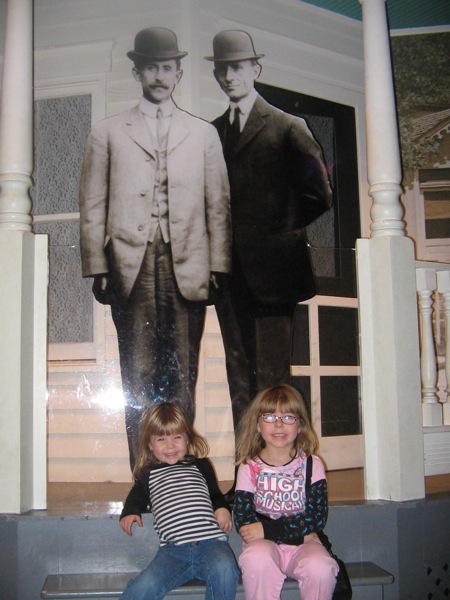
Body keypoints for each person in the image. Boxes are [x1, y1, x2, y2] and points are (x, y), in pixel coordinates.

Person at [79, 27, 231, 470]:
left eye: (167, 67)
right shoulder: (107, 132)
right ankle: (144, 476)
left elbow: (218, 204)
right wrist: (97, 264)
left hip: (189, 264)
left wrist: (218, 265)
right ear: (137, 73)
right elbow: (92, 203)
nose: (160, 76)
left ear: (178, 73)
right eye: (151, 67)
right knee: (139, 373)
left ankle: (181, 475)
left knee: (183, 372)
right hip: (131, 264)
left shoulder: (203, 134)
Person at [205, 31, 333, 431]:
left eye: (238, 67)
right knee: (238, 375)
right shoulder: (211, 133)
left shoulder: (288, 126)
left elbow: (319, 195)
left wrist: (271, 232)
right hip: (229, 277)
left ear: (255, 70)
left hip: (276, 275)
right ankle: (247, 462)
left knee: (273, 379)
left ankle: (280, 460)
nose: (230, 76)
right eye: (222, 69)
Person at [119, 402, 240, 600]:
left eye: (177, 437)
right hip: (173, 551)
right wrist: (130, 511)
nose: (170, 445)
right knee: (144, 586)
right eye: (161, 439)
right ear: (150, 444)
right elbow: (136, 496)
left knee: (226, 569)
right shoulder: (147, 474)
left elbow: (215, 494)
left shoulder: (200, 465)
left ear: (187, 439)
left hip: (212, 545)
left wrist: (221, 508)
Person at [233, 384, 339, 600]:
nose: (279, 424)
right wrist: (297, 533)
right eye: (270, 417)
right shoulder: (248, 467)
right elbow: (243, 521)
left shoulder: (312, 464)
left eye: (289, 417)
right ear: (257, 425)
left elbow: (317, 517)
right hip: (266, 545)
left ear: (300, 425)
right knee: (256, 558)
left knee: (321, 567)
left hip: (304, 547)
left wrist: (267, 529)